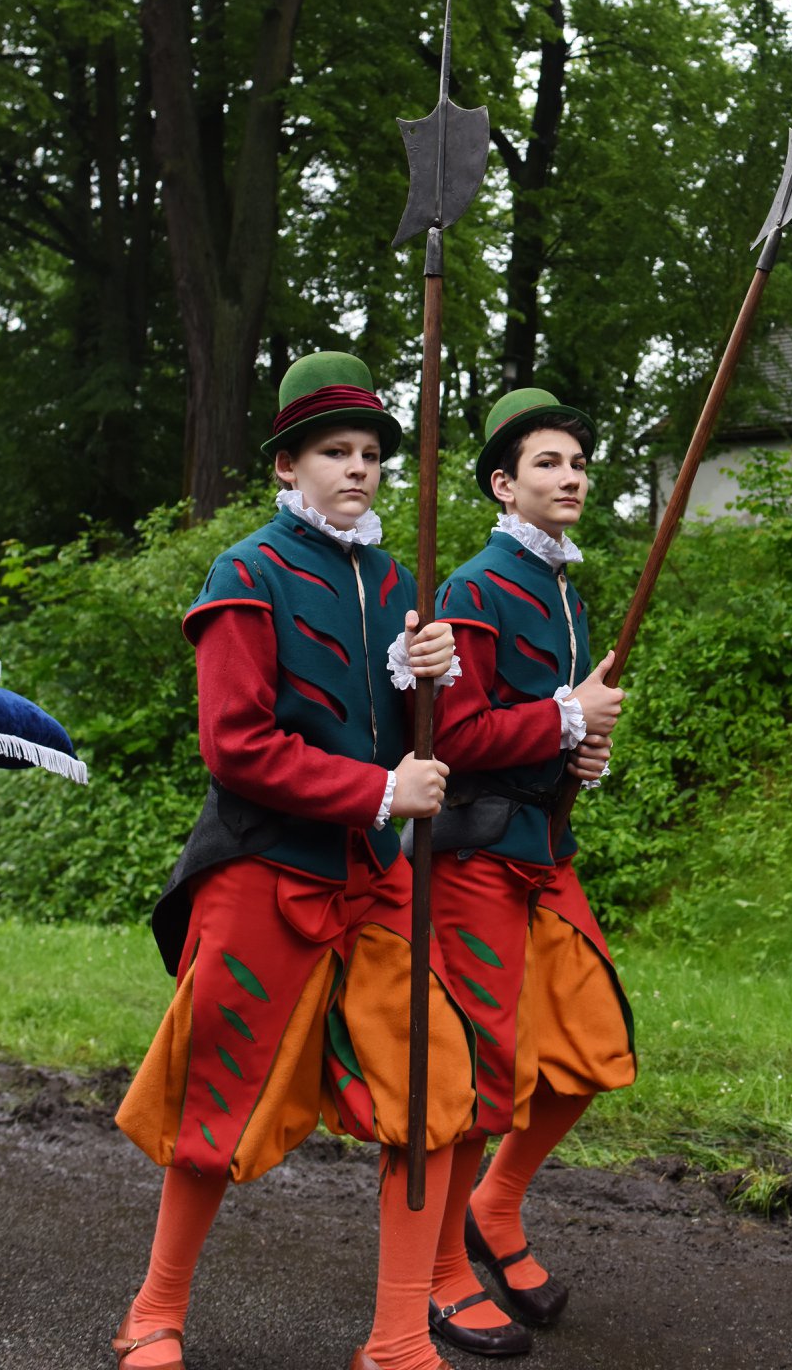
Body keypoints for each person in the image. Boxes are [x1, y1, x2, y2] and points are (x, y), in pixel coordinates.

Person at [112, 352, 475, 1370]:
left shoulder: (399, 581)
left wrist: (433, 685)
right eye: (333, 451)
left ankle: (397, 1340)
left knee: (433, 1084)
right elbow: (236, 746)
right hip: (263, 869)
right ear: (286, 465)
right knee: (215, 1093)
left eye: (370, 454)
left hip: (373, 878)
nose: (357, 468)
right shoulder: (248, 573)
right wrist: (379, 791)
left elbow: (416, 744)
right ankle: (154, 1310)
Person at [422, 388, 637, 1358]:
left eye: (578, 463)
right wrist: (565, 718)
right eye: (547, 463)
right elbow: (458, 736)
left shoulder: (565, 593)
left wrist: (580, 749)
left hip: (545, 851)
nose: (571, 477)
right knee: (479, 1071)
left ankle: (494, 1202)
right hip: (474, 854)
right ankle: (439, 1272)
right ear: (503, 486)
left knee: (592, 1043)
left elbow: (554, 724)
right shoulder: (476, 588)